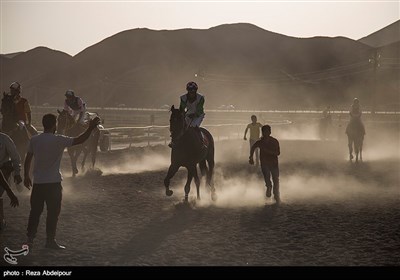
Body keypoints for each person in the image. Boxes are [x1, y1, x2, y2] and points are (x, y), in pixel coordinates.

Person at [23, 113, 100, 249]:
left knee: (35, 211)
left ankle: (30, 239)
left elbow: (28, 158)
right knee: (53, 213)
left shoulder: (34, 140)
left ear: (43, 124)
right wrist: (90, 128)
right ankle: (50, 241)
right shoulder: (59, 139)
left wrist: (26, 176)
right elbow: (79, 140)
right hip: (53, 183)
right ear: (54, 125)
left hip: (38, 183)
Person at [249, 125, 281, 204]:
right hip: (265, 163)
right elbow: (253, 147)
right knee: (267, 177)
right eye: (264, 132)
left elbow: (278, 152)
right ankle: (269, 187)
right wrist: (251, 157)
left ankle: (276, 194)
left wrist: (268, 151)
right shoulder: (260, 142)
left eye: (267, 131)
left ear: (270, 132)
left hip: (273, 163)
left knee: (275, 179)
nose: (266, 133)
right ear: (263, 133)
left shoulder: (274, 141)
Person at [169, 81, 205, 148]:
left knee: (194, 127)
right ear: (188, 91)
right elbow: (182, 108)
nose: (192, 93)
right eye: (190, 91)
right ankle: (174, 141)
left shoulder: (201, 98)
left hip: (198, 115)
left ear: (196, 91)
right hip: (188, 115)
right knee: (182, 127)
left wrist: (195, 114)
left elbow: (200, 109)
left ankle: (201, 142)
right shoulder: (183, 98)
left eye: (193, 91)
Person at [0, 132, 22, 230]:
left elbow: (15, 157)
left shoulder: (4, 139)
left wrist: (17, 173)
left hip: (3, 170)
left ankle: (1, 219)